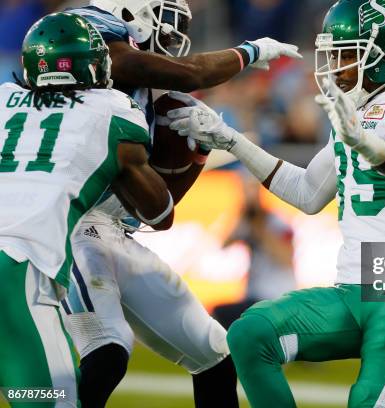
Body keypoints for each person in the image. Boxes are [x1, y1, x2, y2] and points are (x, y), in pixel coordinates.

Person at [170, 0, 385, 406]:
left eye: (350, 54)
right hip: (351, 289)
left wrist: (363, 140)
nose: (338, 66)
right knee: (249, 335)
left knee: (369, 400)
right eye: (335, 53)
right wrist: (232, 140)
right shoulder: (353, 111)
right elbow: (308, 193)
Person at [59, 1, 302, 407]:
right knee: (106, 350)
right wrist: (251, 52)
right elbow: (192, 73)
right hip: (67, 217)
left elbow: (159, 215)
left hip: (109, 228)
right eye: (163, 19)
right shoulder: (93, 43)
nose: (170, 36)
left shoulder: (142, 96)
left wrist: (197, 153)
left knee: (214, 353)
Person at [0, 12, 174, 407]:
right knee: (54, 401)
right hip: (15, 273)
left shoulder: (2, 100)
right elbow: (160, 214)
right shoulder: (112, 110)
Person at [213, 174, 295, 330]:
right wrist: (242, 217)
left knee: (221, 315)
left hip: (276, 295)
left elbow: (286, 259)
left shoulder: (276, 221)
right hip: (255, 295)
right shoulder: (246, 221)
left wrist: (260, 228)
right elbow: (223, 244)